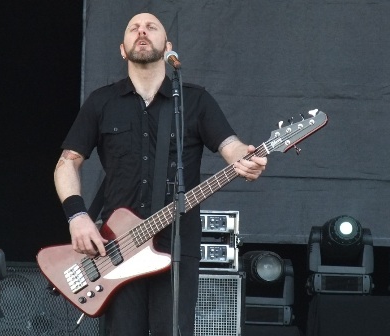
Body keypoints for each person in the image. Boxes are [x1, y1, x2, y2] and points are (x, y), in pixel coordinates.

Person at [54, 12, 267, 336]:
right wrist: (77, 217)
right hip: (117, 247)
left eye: (151, 27)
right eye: (133, 28)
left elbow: (231, 146)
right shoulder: (102, 101)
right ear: (122, 49)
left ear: (168, 47)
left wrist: (247, 159)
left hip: (177, 245)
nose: (142, 31)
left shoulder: (195, 100)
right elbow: (67, 163)